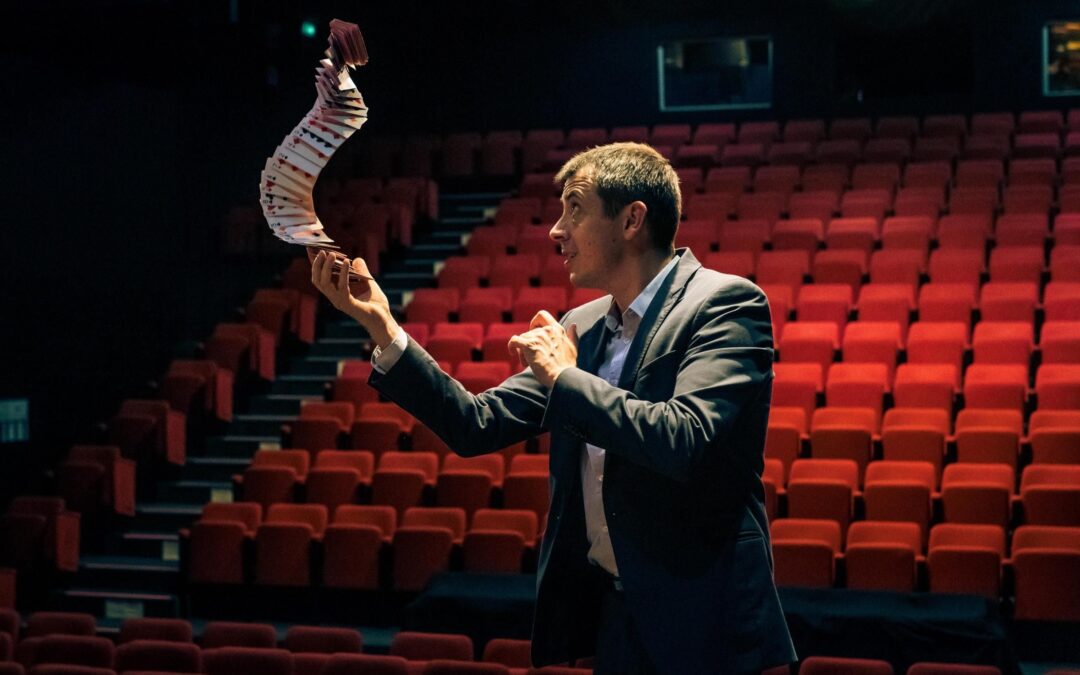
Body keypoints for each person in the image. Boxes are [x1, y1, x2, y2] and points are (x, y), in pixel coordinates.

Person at [310, 142, 795, 674]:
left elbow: (682, 440)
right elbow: (475, 424)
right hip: (615, 613)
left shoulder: (726, 304)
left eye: (575, 209)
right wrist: (383, 327)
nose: (555, 230)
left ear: (632, 220)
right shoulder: (581, 325)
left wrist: (566, 376)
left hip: (704, 615)